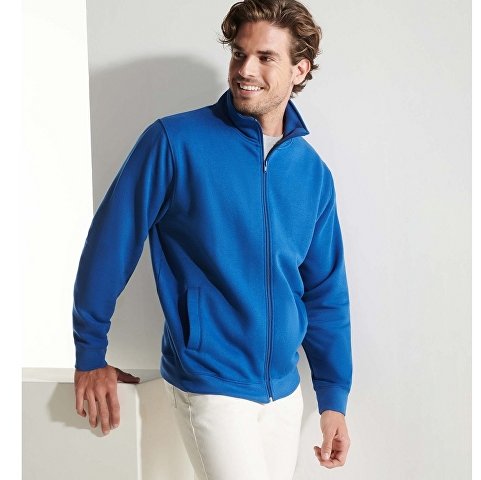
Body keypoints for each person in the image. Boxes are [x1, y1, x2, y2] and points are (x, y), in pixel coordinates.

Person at [72, 0, 352, 478]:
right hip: (210, 382)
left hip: (284, 393)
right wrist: (89, 353)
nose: (245, 70)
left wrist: (333, 398)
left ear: (299, 70)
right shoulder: (174, 142)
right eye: (239, 53)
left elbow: (326, 292)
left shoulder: (313, 175)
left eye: (265, 57)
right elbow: (111, 243)